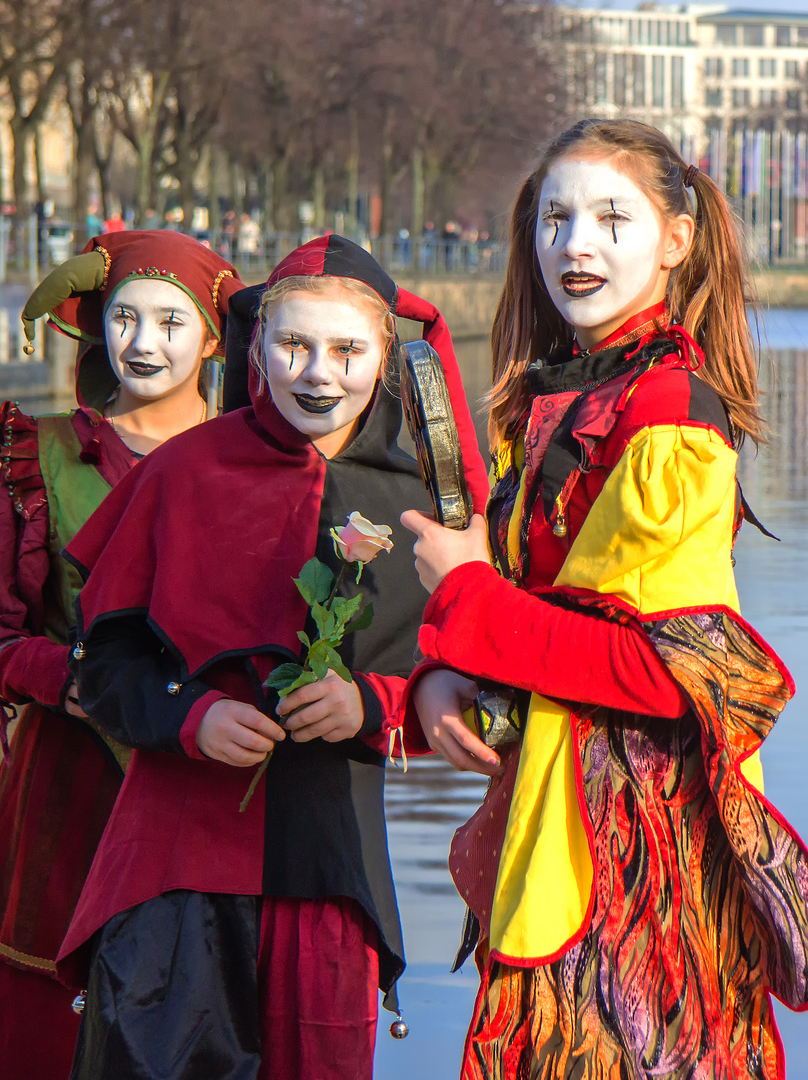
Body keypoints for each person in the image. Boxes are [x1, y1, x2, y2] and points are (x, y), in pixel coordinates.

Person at [400, 118, 808, 1079]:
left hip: (642, 845)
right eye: (555, 218)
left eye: (610, 217)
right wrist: (437, 675)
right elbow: (541, 603)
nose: (576, 243)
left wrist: (466, 602)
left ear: (675, 242)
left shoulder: (672, 413)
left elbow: (659, 672)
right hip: (558, 814)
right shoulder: (559, 395)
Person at [54, 235, 488, 1079]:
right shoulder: (184, 470)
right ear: (255, 346)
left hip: (328, 874)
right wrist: (192, 715)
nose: (318, 374)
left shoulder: (429, 508)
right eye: (294, 345)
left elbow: (474, 690)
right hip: (172, 872)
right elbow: (100, 666)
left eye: (347, 351)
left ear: (386, 358)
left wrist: (371, 705)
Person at [0, 230, 242, 1079]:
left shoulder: (262, 460)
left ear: (211, 338)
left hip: (211, 791)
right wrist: (65, 679)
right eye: (124, 318)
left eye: (169, 320)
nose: (143, 342)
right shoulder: (39, 455)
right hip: (68, 796)